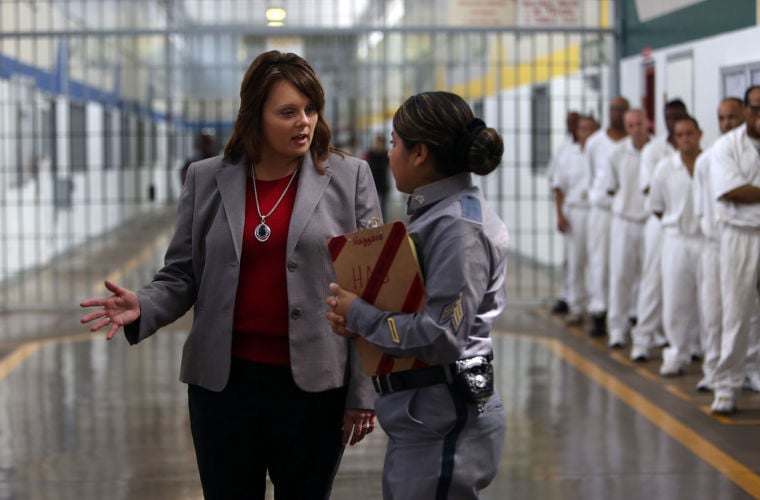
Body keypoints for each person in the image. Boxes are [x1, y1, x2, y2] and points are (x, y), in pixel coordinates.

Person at [80, 50, 381, 499]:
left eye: (310, 109)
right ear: (254, 114)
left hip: (315, 387)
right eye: (287, 112)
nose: (304, 122)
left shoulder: (349, 177)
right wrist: (144, 304)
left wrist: (363, 391)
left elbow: (369, 290)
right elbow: (182, 274)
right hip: (224, 388)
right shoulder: (207, 179)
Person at [325, 91, 507, 499]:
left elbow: (442, 334)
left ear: (420, 153)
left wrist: (360, 315)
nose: (388, 155)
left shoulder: (459, 229)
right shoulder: (438, 217)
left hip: (445, 420)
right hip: (426, 418)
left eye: (394, 144)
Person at [710, 85, 760, 414]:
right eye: (755, 108)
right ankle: (726, 386)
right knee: (737, 312)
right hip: (741, 235)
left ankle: (755, 371)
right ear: (746, 110)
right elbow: (733, 191)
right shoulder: (727, 146)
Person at [691, 97, 746, 391]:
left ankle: (750, 368)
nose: (727, 124)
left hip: (745, 242)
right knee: (713, 312)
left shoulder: (751, 153)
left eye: (733, 117)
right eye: (722, 118)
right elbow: (702, 208)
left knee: (747, 313)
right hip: (715, 245)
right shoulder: (706, 160)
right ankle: (713, 370)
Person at [632, 99, 689, 353]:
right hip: (659, 223)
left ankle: (690, 344)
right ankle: (642, 340)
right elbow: (649, 189)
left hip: (685, 228)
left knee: (686, 286)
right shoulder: (653, 151)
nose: (674, 119)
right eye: (670, 115)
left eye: (679, 115)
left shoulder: (696, 152)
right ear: (663, 118)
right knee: (652, 281)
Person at [648, 116, 703, 376]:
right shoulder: (664, 168)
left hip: (705, 240)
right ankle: (675, 354)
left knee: (710, 303)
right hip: (676, 240)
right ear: (675, 138)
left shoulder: (709, 163)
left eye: (690, 133)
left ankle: (706, 354)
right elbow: (657, 207)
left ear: (699, 133)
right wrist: (675, 225)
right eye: (680, 135)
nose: (685, 139)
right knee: (675, 300)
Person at [604, 109, 650, 350]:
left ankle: (648, 330)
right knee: (621, 275)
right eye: (630, 125)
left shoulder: (658, 150)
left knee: (650, 279)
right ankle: (617, 329)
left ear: (646, 123)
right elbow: (610, 187)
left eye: (639, 124)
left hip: (650, 221)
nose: (635, 129)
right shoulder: (617, 153)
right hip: (623, 220)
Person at [584, 96, 630, 337]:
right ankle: (599, 311)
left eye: (622, 110)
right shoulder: (595, 142)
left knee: (624, 263)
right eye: (614, 109)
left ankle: (625, 312)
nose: (618, 114)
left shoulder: (633, 142)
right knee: (599, 261)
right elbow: (592, 175)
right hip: (602, 211)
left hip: (625, 213)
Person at [551, 115, 596, 326]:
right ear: (577, 132)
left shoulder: (603, 152)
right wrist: (560, 214)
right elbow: (558, 187)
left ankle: (598, 309)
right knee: (575, 262)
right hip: (576, 211)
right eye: (583, 128)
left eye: (590, 128)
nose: (586, 132)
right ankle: (576, 306)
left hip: (597, 212)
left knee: (598, 263)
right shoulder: (567, 155)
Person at [547, 110, 580, 316]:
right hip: (571, 208)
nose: (571, 125)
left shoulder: (592, 147)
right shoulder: (563, 150)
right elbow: (555, 180)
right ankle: (567, 295)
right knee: (570, 258)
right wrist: (559, 211)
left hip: (591, 210)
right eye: (569, 122)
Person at [365, 133, 391, 217]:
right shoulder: (371, 153)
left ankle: (383, 222)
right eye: (377, 142)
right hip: (373, 182)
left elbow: (386, 166)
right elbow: (369, 165)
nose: (378, 144)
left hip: (382, 183)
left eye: (380, 142)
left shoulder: (385, 154)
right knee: (372, 205)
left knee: (383, 206)